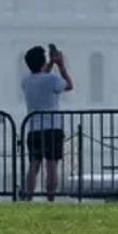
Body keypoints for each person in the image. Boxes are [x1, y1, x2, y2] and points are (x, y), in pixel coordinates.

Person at [21, 44, 73, 201]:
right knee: (51, 166)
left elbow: (41, 76)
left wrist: (50, 63)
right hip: (52, 128)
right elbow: (69, 85)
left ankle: (28, 197)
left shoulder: (26, 81)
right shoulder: (52, 79)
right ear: (42, 62)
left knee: (34, 165)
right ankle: (50, 199)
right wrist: (61, 65)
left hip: (33, 128)